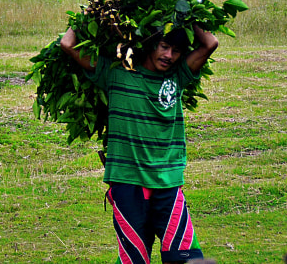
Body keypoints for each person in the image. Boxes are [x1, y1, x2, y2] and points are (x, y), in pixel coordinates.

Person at [60, 24, 218, 264]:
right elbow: (67, 44)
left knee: (185, 256)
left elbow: (210, 43)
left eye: (176, 51)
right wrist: (91, 16)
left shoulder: (177, 76)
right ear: (150, 44)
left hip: (167, 182)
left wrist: (186, 17)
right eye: (164, 47)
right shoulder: (115, 73)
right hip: (127, 182)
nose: (168, 56)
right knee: (134, 259)